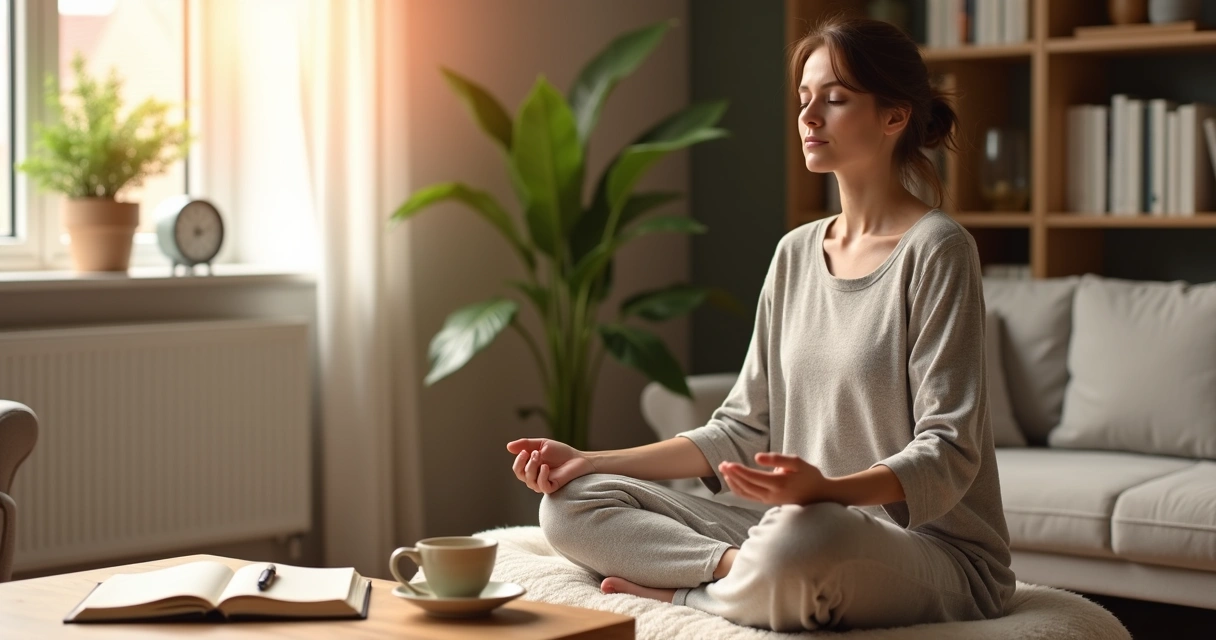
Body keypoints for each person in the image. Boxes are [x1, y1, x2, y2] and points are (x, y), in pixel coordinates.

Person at [505, 15, 1015, 633]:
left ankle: (693, 597)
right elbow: (741, 428)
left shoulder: (938, 249)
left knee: (808, 536)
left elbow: (949, 451)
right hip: (788, 526)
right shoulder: (795, 252)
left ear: (894, 116)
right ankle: (735, 571)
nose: (808, 117)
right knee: (567, 505)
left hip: (930, 552)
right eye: (804, 99)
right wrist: (590, 460)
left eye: (834, 99)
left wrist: (828, 490)